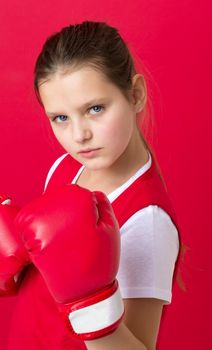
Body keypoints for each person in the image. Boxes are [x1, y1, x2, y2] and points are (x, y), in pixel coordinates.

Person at [0, 21, 183, 349]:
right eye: (61, 118)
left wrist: (91, 304)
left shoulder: (148, 221)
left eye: (95, 109)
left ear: (135, 95)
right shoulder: (67, 166)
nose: (79, 135)